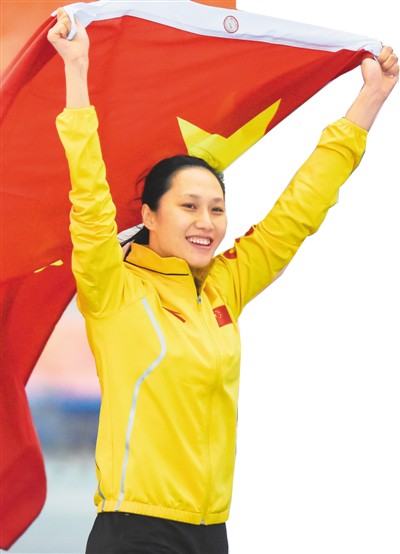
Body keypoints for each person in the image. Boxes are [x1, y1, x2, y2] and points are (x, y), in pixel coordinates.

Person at [47, 8, 398, 554]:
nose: (206, 222)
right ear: (149, 215)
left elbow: (296, 214)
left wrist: (371, 99)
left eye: (216, 208)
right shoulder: (114, 289)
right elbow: (89, 202)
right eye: (189, 206)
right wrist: (77, 69)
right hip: (136, 531)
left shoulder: (222, 286)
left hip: (212, 532)